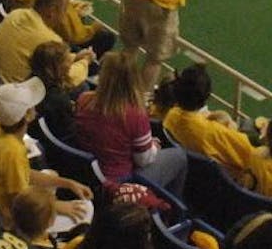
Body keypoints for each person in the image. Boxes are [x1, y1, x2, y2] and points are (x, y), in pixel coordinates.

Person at [74, 51, 187, 199]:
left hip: (88, 173)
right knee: (179, 156)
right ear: (133, 79)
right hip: (119, 182)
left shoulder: (84, 100)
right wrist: (153, 147)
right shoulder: (135, 115)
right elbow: (143, 160)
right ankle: (171, 210)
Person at [0, 77, 92, 232]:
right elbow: (22, 202)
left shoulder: (1, 134)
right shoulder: (11, 151)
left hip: (11, 203)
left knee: (51, 174)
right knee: (87, 211)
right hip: (15, 218)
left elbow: (24, 174)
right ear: (28, 114)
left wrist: (68, 183)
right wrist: (58, 206)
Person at [161, 63, 253, 182]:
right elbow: (251, 157)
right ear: (206, 95)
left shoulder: (171, 116)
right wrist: (231, 126)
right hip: (212, 185)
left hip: (185, 179)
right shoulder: (213, 133)